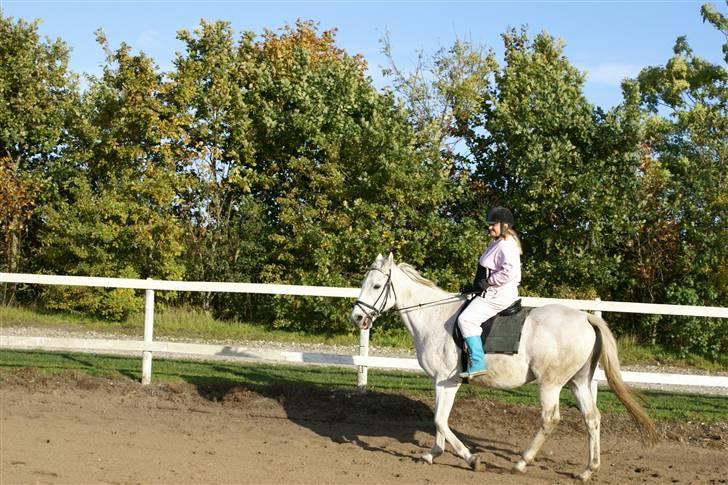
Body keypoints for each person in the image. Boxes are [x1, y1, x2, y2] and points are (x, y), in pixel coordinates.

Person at [458, 206, 522, 379]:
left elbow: (509, 272)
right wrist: (475, 286)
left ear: (505, 226)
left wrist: (488, 282)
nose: (489, 227)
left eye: (493, 224)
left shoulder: (506, 245)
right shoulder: (498, 242)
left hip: (497, 295)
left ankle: (478, 362)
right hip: (491, 292)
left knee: (466, 320)